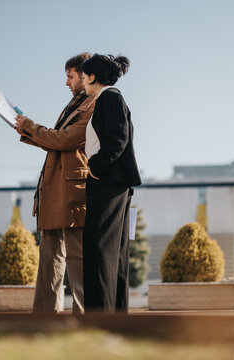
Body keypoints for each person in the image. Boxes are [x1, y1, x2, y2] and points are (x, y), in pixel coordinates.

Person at [14, 53, 95, 314]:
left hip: (73, 193)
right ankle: (44, 318)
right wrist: (26, 130)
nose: (67, 82)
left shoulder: (94, 105)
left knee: (77, 260)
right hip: (55, 191)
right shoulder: (75, 105)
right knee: (50, 260)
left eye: (70, 76)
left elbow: (64, 140)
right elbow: (57, 141)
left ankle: (84, 319)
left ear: (85, 76)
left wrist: (30, 126)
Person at [80, 54, 142, 313]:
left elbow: (118, 138)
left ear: (93, 76)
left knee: (99, 249)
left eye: (83, 77)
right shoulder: (109, 98)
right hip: (114, 183)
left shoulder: (110, 97)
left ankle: (99, 317)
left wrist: (95, 167)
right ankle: (115, 316)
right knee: (113, 252)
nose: (82, 82)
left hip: (107, 182)